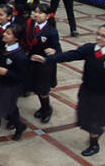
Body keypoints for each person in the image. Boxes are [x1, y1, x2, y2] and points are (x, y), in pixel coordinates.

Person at [32, 24, 105, 157]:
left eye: (103, 36)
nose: (99, 38)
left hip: (102, 95)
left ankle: (94, 144)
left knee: (94, 121)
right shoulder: (89, 49)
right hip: (87, 90)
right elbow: (70, 55)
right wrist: (47, 59)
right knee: (83, 115)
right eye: (98, 34)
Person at [25, 3, 61, 124]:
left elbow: (58, 49)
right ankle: (42, 107)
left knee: (43, 90)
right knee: (35, 87)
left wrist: (54, 51)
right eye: (35, 11)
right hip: (32, 62)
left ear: (47, 16)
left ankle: (47, 109)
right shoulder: (30, 25)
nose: (36, 14)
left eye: (40, 13)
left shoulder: (51, 31)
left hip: (44, 64)